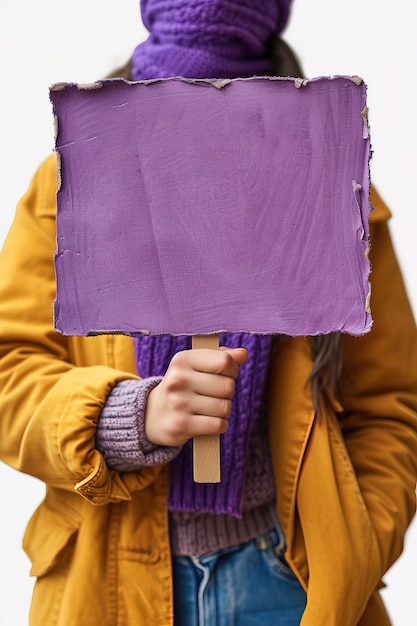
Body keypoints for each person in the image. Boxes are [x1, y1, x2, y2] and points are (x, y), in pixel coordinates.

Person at [1, 1, 416, 625]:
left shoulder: (336, 186)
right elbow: (9, 370)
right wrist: (126, 418)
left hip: (291, 585)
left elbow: (390, 407)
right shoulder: (71, 179)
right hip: (109, 583)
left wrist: (353, 543)